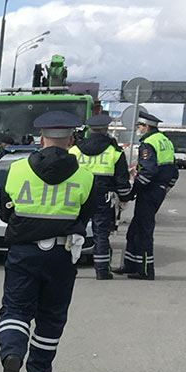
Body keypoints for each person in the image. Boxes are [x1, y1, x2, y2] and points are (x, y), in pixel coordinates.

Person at [0, 110, 94, 372]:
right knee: (51, 316)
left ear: (41, 138)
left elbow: (5, 211)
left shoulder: (17, 170)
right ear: (71, 139)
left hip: (23, 252)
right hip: (62, 254)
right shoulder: (85, 177)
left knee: (15, 309)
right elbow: (86, 216)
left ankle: (12, 353)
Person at [69, 113, 131, 280]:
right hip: (102, 198)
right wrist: (125, 198)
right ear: (106, 130)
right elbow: (122, 180)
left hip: (77, 196)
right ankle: (102, 271)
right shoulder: (114, 152)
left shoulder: (75, 150)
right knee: (101, 234)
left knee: (73, 232)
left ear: (89, 129)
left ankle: (68, 269)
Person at [117, 109, 177, 280]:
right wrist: (165, 188)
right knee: (134, 229)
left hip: (149, 191)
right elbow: (174, 171)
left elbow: (147, 172)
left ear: (147, 127)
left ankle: (145, 270)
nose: (137, 128)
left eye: (139, 126)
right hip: (157, 190)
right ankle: (130, 265)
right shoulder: (165, 141)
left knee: (143, 231)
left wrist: (132, 192)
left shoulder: (149, 143)